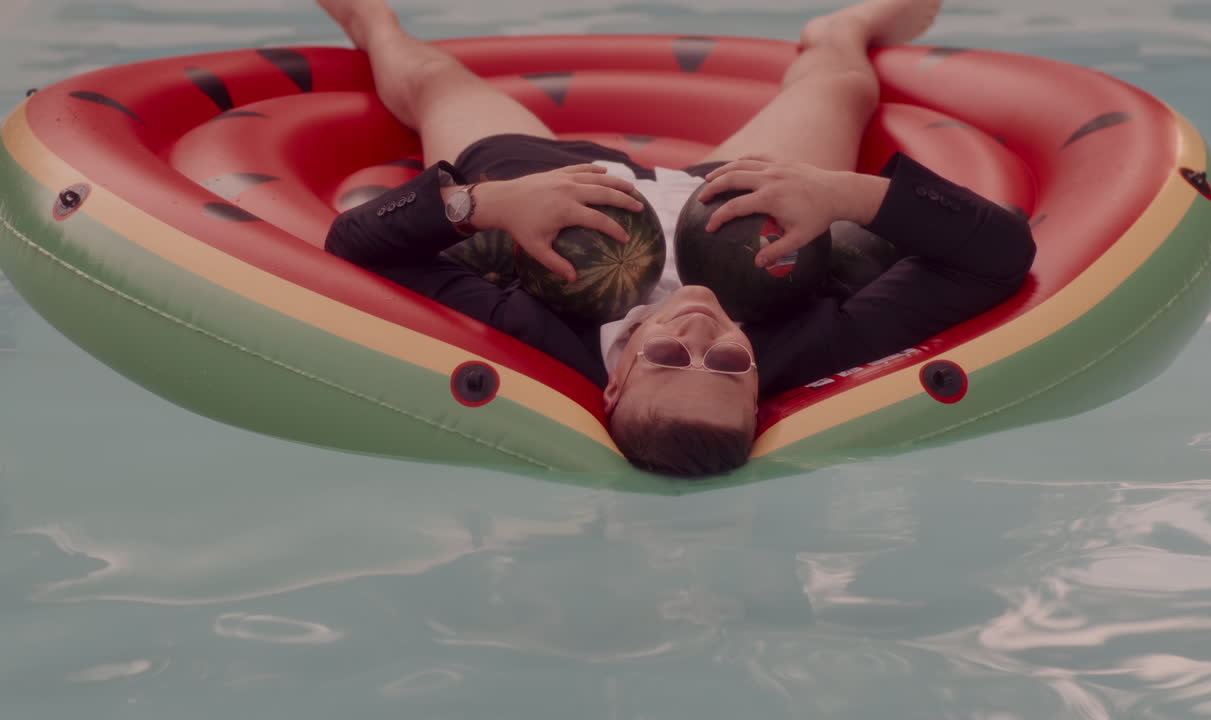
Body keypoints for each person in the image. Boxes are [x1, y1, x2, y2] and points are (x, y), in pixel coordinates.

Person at [319, 0, 1036, 476]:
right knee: (840, 90)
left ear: (616, 386)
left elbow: (354, 247)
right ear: (758, 384)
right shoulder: (805, 347)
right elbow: (999, 258)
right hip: (733, 195)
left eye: (666, 357)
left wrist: (487, 203)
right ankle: (838, 31)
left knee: (437, 84)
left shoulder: (531, 332)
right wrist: (844, 193)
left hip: (557, 186)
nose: (699, 335)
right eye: (726, 364)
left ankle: (372, 20)